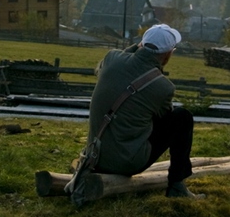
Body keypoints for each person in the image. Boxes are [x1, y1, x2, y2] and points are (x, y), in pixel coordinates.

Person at [86, 23, 203, 198]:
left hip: (94, 156)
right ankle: (177, 186)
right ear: (169, 53)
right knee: (182, 118)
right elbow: (163, 118)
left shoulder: (111, 58)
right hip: (125, 163)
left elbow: (117, 61)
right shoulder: (163, 87)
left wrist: (139, 47)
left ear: (140, 44)